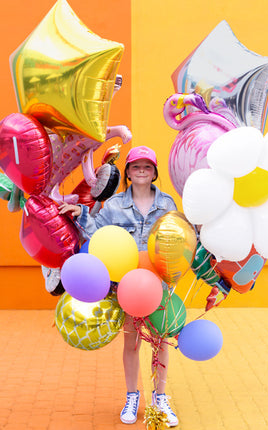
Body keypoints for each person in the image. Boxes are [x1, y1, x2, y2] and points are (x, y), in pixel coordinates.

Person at [58, 146, 179, 427]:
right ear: (127, 171)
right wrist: (80, 212)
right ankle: (132, 395)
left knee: (160, 341)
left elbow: (177, 239)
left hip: (158, 283)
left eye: (147, 167)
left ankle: (160, 398)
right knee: (132, 343)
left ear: (154, 172)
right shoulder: (113, 205)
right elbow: (97, 233)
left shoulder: (167, 204)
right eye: (136, 166)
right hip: (125, 286)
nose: (141, 171)